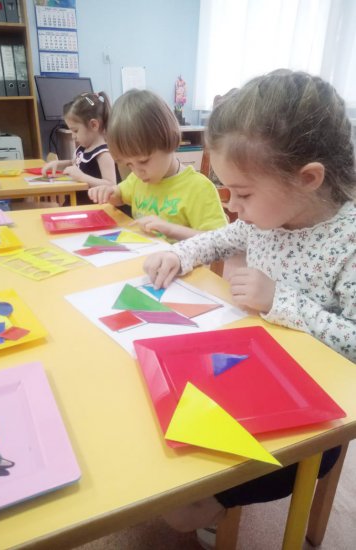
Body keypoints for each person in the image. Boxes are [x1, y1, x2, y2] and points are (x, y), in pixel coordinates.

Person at [143, 69, 356, 545]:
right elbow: (220, 238)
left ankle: (215, 503)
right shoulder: (263, 218)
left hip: (312, 414)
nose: (233, 206)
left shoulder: (348, 241)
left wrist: (281, 301)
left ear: (307, 179)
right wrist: (179, 255)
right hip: (245, 367)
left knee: (191, 494)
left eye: (242, 193)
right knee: (158, 416)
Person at [88, 89, 228, 242]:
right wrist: (108, 192)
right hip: (142, 252)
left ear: (168, 139)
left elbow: (219, 241)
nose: (137, 172)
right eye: (129, 164)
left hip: (179, 257)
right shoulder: (137, 180)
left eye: (143, 161)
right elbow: (120, 196)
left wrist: (171, 229)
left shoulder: (199, 189)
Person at [42, 91, 118, 189]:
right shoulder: (83, 148)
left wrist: (82, 177)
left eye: (75, 131)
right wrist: (58, 164)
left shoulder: (104, 154)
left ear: (94, 125)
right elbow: (75, 164)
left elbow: (111, 184)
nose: (73, 136)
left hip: (93, 199)